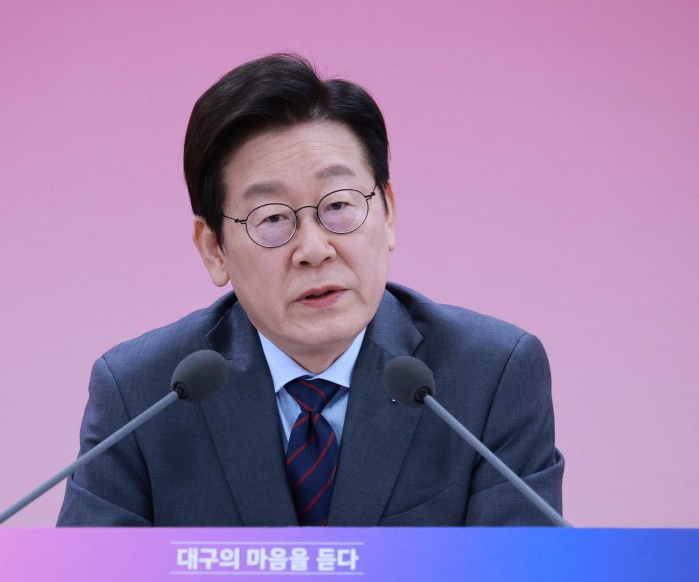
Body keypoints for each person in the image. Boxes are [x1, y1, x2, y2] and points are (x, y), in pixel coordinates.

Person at [57, 53, 564, 527]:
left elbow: (522, 569)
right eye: (273, 218)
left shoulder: (490, 376)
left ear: (387, 213)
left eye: (338, 206)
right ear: (214, 249)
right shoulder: (143, 394)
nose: (315, 250)